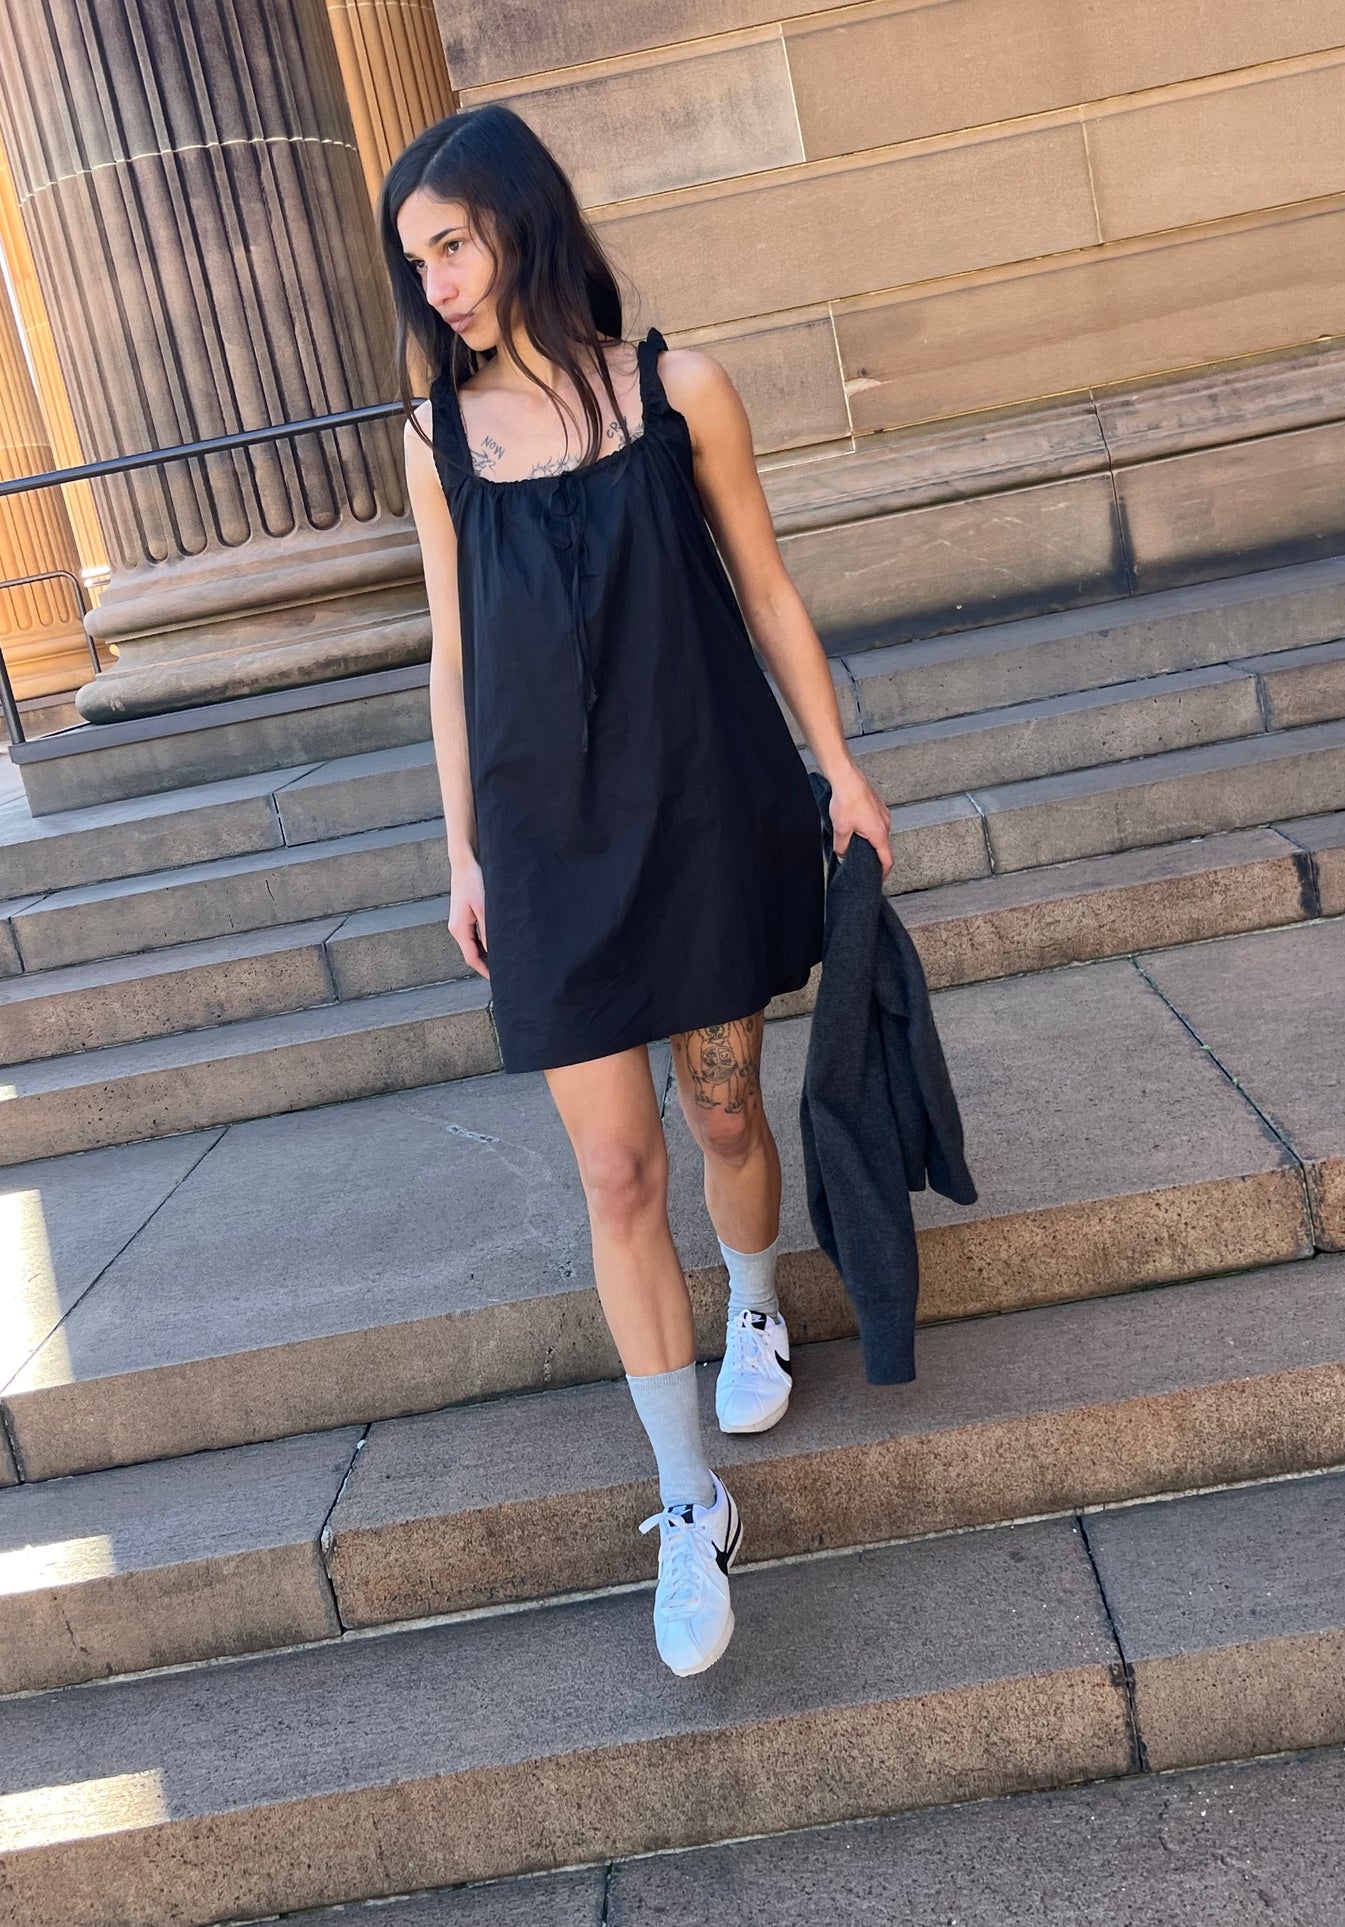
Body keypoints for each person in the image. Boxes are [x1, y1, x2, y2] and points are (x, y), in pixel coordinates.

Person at [379, 104, 893, 1678]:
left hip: (696, 806)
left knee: (723, 1111)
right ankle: (689, 1504)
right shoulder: (434, 443)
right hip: (543, 845)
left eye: (452, 244)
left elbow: (766, 584)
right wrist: (464, 850)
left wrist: (843, 768)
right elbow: (453, 662)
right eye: (417, 264)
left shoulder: (680, 393)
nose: (439, 286)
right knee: (615, 1178)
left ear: (521, 221)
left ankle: (753, 1299)